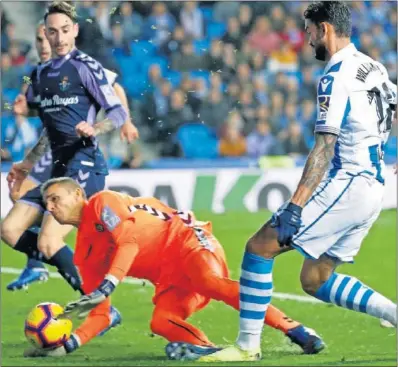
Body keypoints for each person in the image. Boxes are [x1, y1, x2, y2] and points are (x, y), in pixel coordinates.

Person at [193, 1, 397, 361]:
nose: (307, 40)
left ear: (324, 29)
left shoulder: (336, 76)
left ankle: (246, 347)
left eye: (309, 31)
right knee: (315, 279)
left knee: (259, 247)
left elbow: (323, 147)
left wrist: (295, 207)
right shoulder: (374, 67)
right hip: (373, 188)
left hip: (348, 184)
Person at [24, 177, 325, 358]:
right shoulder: (84, 255)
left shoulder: (102, 203)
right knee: (162, 322)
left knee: (208, 281)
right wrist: (66, 346)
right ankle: (207, 351)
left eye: (55, 198)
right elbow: (101, 316)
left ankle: (296, 329)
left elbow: (128, 243)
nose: (50, 207)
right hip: (169, 278)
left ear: (77, 194)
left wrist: (108, 284)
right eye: (46, 203)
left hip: (186, 240)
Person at [1, 0, 127, 303]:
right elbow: (49, 125)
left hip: (83, 164)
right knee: (9, 230)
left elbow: (118, 113)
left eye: (64, 31)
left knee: (48, 240)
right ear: (45, 32)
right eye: (52, 32)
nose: (58, 39)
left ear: (75, 31)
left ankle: (101, 307)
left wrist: (95, 128)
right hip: (55, 169)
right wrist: (27, 161)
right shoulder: (40, 74)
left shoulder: (86, 67)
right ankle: (67, 268)